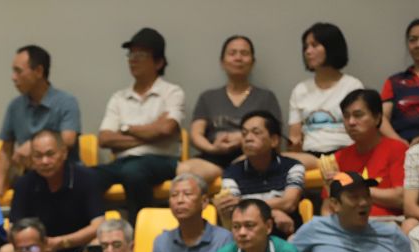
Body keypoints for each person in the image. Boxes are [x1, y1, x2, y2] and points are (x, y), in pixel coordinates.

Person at [95, 28, 184, 220]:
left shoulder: (172, 92)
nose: (133, 60)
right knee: (85, 177)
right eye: (131, 54)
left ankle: (139, 230)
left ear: (158, 62)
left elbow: (167, 128)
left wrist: (125, 129)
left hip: (161, 161)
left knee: (134, 172)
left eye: (141, 55)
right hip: (121, 162)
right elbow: (104, 138)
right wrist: (152, 134)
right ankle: (99, 232)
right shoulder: (119, 97)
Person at [178, 35, 283, 183]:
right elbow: (196, 134)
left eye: (244, 53)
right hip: (213, 158)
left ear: (252, 62)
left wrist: (242, 138)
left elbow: (275, 137)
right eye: (232, 53)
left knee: (246, 166)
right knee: (184, 171)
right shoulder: (208, 97)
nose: (238, 58)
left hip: (252, 155)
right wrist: (214, 148)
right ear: (222, 62)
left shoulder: (266, 97)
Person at [6, 129, 105, 252]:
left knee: (97, 245)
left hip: (78, 246)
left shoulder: (87, 178)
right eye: (38, 156)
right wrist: (37, 245)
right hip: (37, 249)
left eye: (50, 154)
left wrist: (60, 242)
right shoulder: (24, 184)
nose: (45, 161)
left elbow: (98, 225)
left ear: (64, 153)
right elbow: (14, 228)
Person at [0, 45, 81, 197]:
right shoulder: (15, 106)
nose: (13, 77)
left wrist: (32, 146)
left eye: (18, 71)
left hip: (66, 177)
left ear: (39, 71)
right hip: (31, 178)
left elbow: (69, 138)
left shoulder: (66, 101)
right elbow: (5, 150)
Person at [285, 23, 367, 170]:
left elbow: (363, 131)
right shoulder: (300, 89)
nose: (308, 51)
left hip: (345, 151)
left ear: (331, 47)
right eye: (306, 47)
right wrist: (294, 144)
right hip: (310, 156)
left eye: (314, 45)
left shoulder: (352, 85)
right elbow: (294, 138)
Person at [321, 89, 408, 222]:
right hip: (346, 228)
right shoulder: (339, 157)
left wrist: (350, 185)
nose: (351, 122)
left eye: (358, 115)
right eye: (346, 116)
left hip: (387, 224)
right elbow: (327, 206)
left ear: (377, 118)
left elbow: (400, 198)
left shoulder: (397, 149)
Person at [216, 111, 305, 236]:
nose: (248, 138)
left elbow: (289, 203)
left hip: (289, 235)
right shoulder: (231, 172)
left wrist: (245, 203)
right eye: (244, 134)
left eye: (256, 132)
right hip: (248, 238)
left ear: (274, 140)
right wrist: (273, 212)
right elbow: (235, 209)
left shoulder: (292, 166)